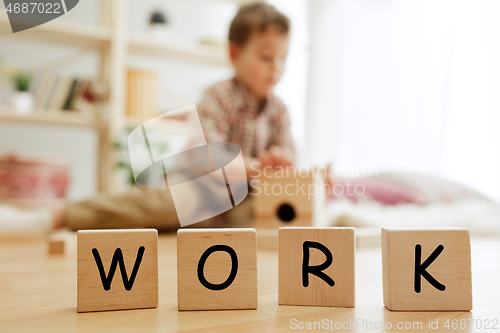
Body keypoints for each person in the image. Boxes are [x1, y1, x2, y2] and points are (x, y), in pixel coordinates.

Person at [56, 3, 295, 231]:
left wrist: (286, 165)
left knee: (271, 212)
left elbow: (288, 161)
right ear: (234, 54)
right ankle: (66, 215)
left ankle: (207, 222)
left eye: (283, 58)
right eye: (266, 57)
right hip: (198, 184)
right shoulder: (219, 96)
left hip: (240, 197)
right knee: (163, 207)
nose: (276, 67)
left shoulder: (279, 110)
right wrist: (260, 166)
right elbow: (211, 159)